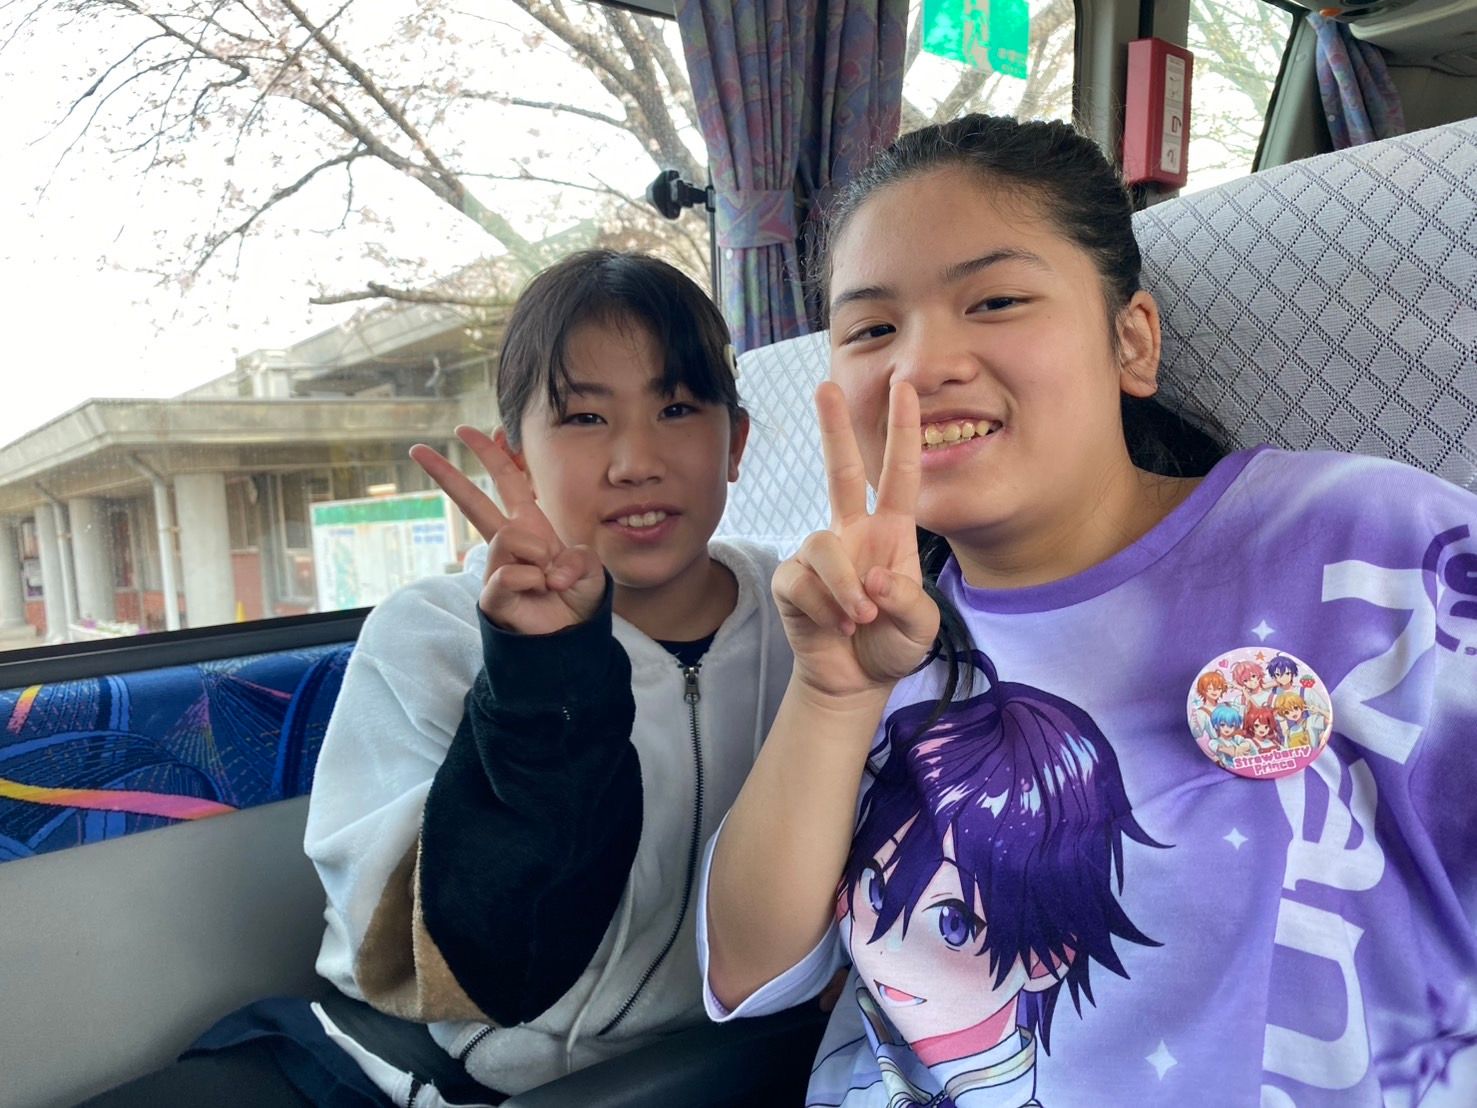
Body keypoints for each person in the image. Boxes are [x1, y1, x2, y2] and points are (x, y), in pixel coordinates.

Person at [697, 114, 1477, 1107]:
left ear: (1131, 340)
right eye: (872, 330)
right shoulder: (868, 635)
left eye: (994, 301)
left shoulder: (1364, 541)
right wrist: (833, 692)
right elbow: (748, 973)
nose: (919, 366)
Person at [78, 250, 791, 1108]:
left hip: (729, 1062)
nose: (635, 460)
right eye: (582, 417)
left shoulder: (805, 618)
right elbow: (438, 956)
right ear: (516, 459)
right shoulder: (433, 632)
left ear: (734, 441)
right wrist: (543, 678)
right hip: (441, 1067)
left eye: (676, 408)